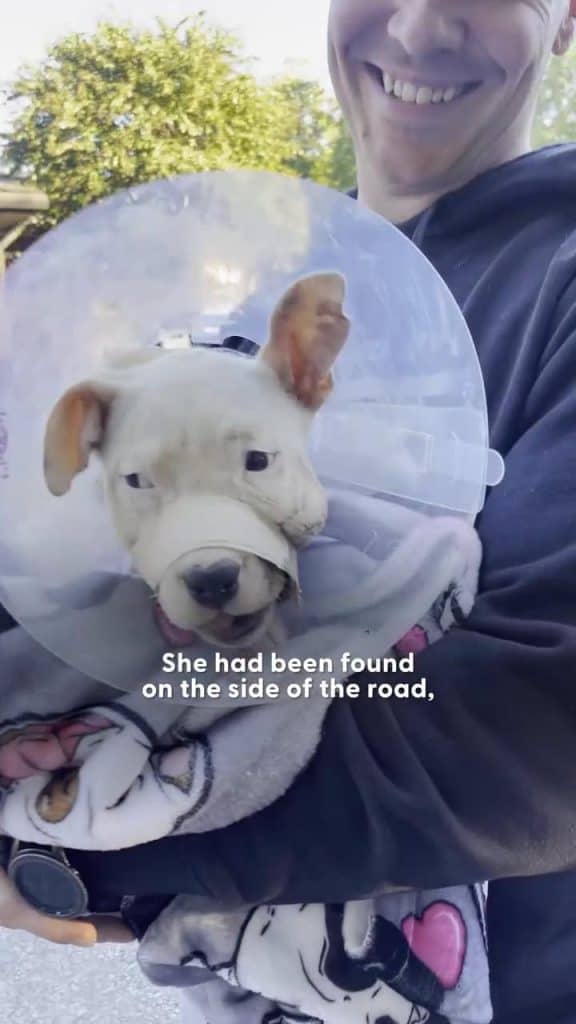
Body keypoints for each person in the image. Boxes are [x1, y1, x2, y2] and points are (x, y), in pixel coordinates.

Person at [3, 0, 576, 1019]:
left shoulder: (559, 275)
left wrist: (96, 843)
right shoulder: (250, 308)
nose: (418, 29)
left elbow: (549, 715)